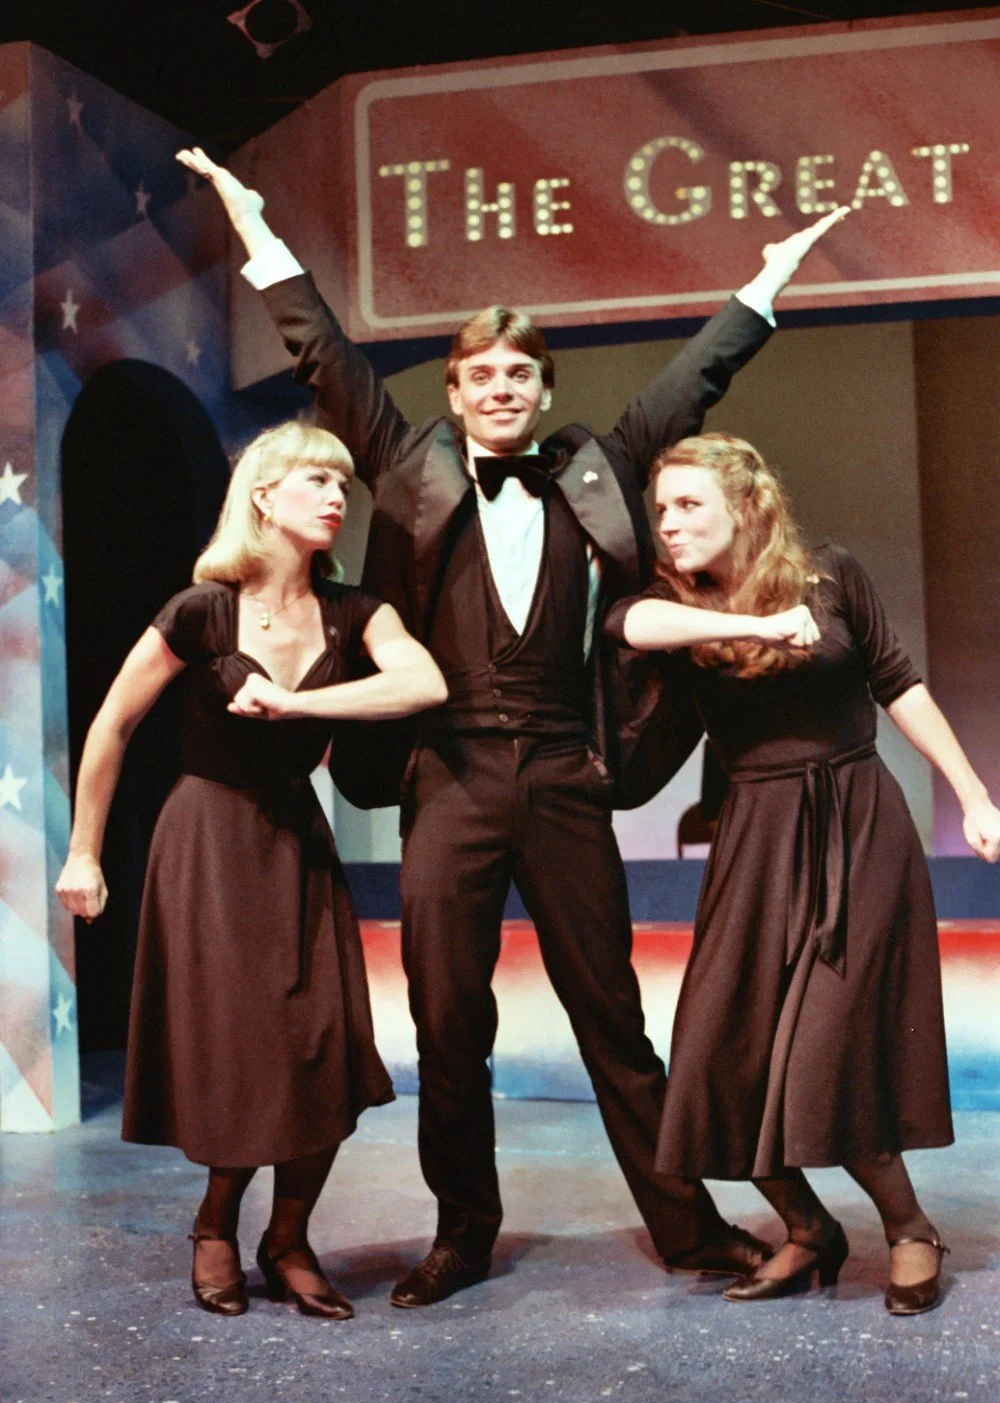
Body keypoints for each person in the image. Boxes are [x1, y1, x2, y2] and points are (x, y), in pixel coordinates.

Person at [178, 145, 848, 1308]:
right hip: (450, 776)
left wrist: (768, 281)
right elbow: (325, 357)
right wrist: (255, 229)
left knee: (614, 1022)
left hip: (566, 776)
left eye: (518, 373)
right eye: (478, 373)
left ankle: (686, 1227)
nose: (498, 388)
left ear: (544, 388)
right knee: (449, 1023)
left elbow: (692, 385)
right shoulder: (406, 467)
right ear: (453, 391)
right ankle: (461, 1234)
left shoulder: (596, 465)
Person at [56, 420, 447, 1319]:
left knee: (322, 1042)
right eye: (317, 479)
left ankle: (290, 1236)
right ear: (264, 497)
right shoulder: (202, 607)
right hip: (207, 842)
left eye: (343, 483)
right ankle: (217, 1226)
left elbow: (422, 685)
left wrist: (299, 701)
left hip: (295, 842)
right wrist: (83, 850)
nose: (337, 496)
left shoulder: (357, 612)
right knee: (240, 1050)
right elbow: (112, 726)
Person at [605, 432, 1000, 1313]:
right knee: (718, 1055)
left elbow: (900, 683)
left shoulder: (830, 575)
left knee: (831, 1054)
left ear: (747, 505)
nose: (668, 525)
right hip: (755, 837)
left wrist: (974, 795)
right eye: (661, 509)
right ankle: (810, 1229)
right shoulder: (677, 604)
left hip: (855, 827)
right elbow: (627, 625)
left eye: (688, 505)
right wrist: (748, 623)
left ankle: (908, 1230)